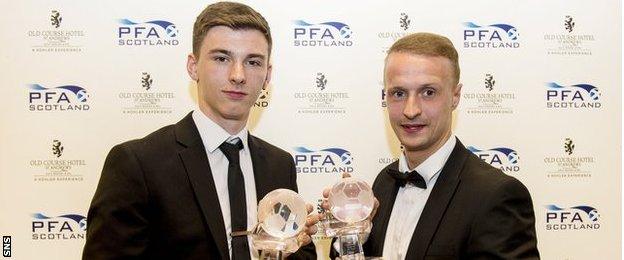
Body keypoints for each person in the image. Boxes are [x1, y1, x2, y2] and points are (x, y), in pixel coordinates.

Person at [82, 2, 317, 259]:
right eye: (222, 58)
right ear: (193, 66)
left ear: (267, 75)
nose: (238, 75)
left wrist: (292, 249)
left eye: (252, 62)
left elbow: (302, 253)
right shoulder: (138, 164)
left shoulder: (279, 165)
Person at [362, 32, 540, 259]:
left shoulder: (496, 196)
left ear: (455, 97)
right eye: (399, 93)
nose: (411, 110)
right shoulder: (383, 183)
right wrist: (349, 236)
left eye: (428, 92)